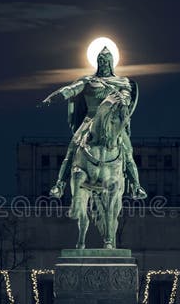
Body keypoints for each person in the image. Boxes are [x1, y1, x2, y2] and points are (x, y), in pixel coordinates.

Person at [41, 46, 147, 199]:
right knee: (72, 148)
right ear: (97, 62)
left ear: (112, 63)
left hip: (113, 124)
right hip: (89, 120)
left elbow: (126, 98)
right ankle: (60, 185)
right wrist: (54, 97)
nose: (103, 64)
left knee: (127, 152)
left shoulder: (122, 82)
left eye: (106, 61)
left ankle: (136, 186)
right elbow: (71, 89)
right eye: (101, 61)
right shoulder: (88, 81)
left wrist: (123, 99)